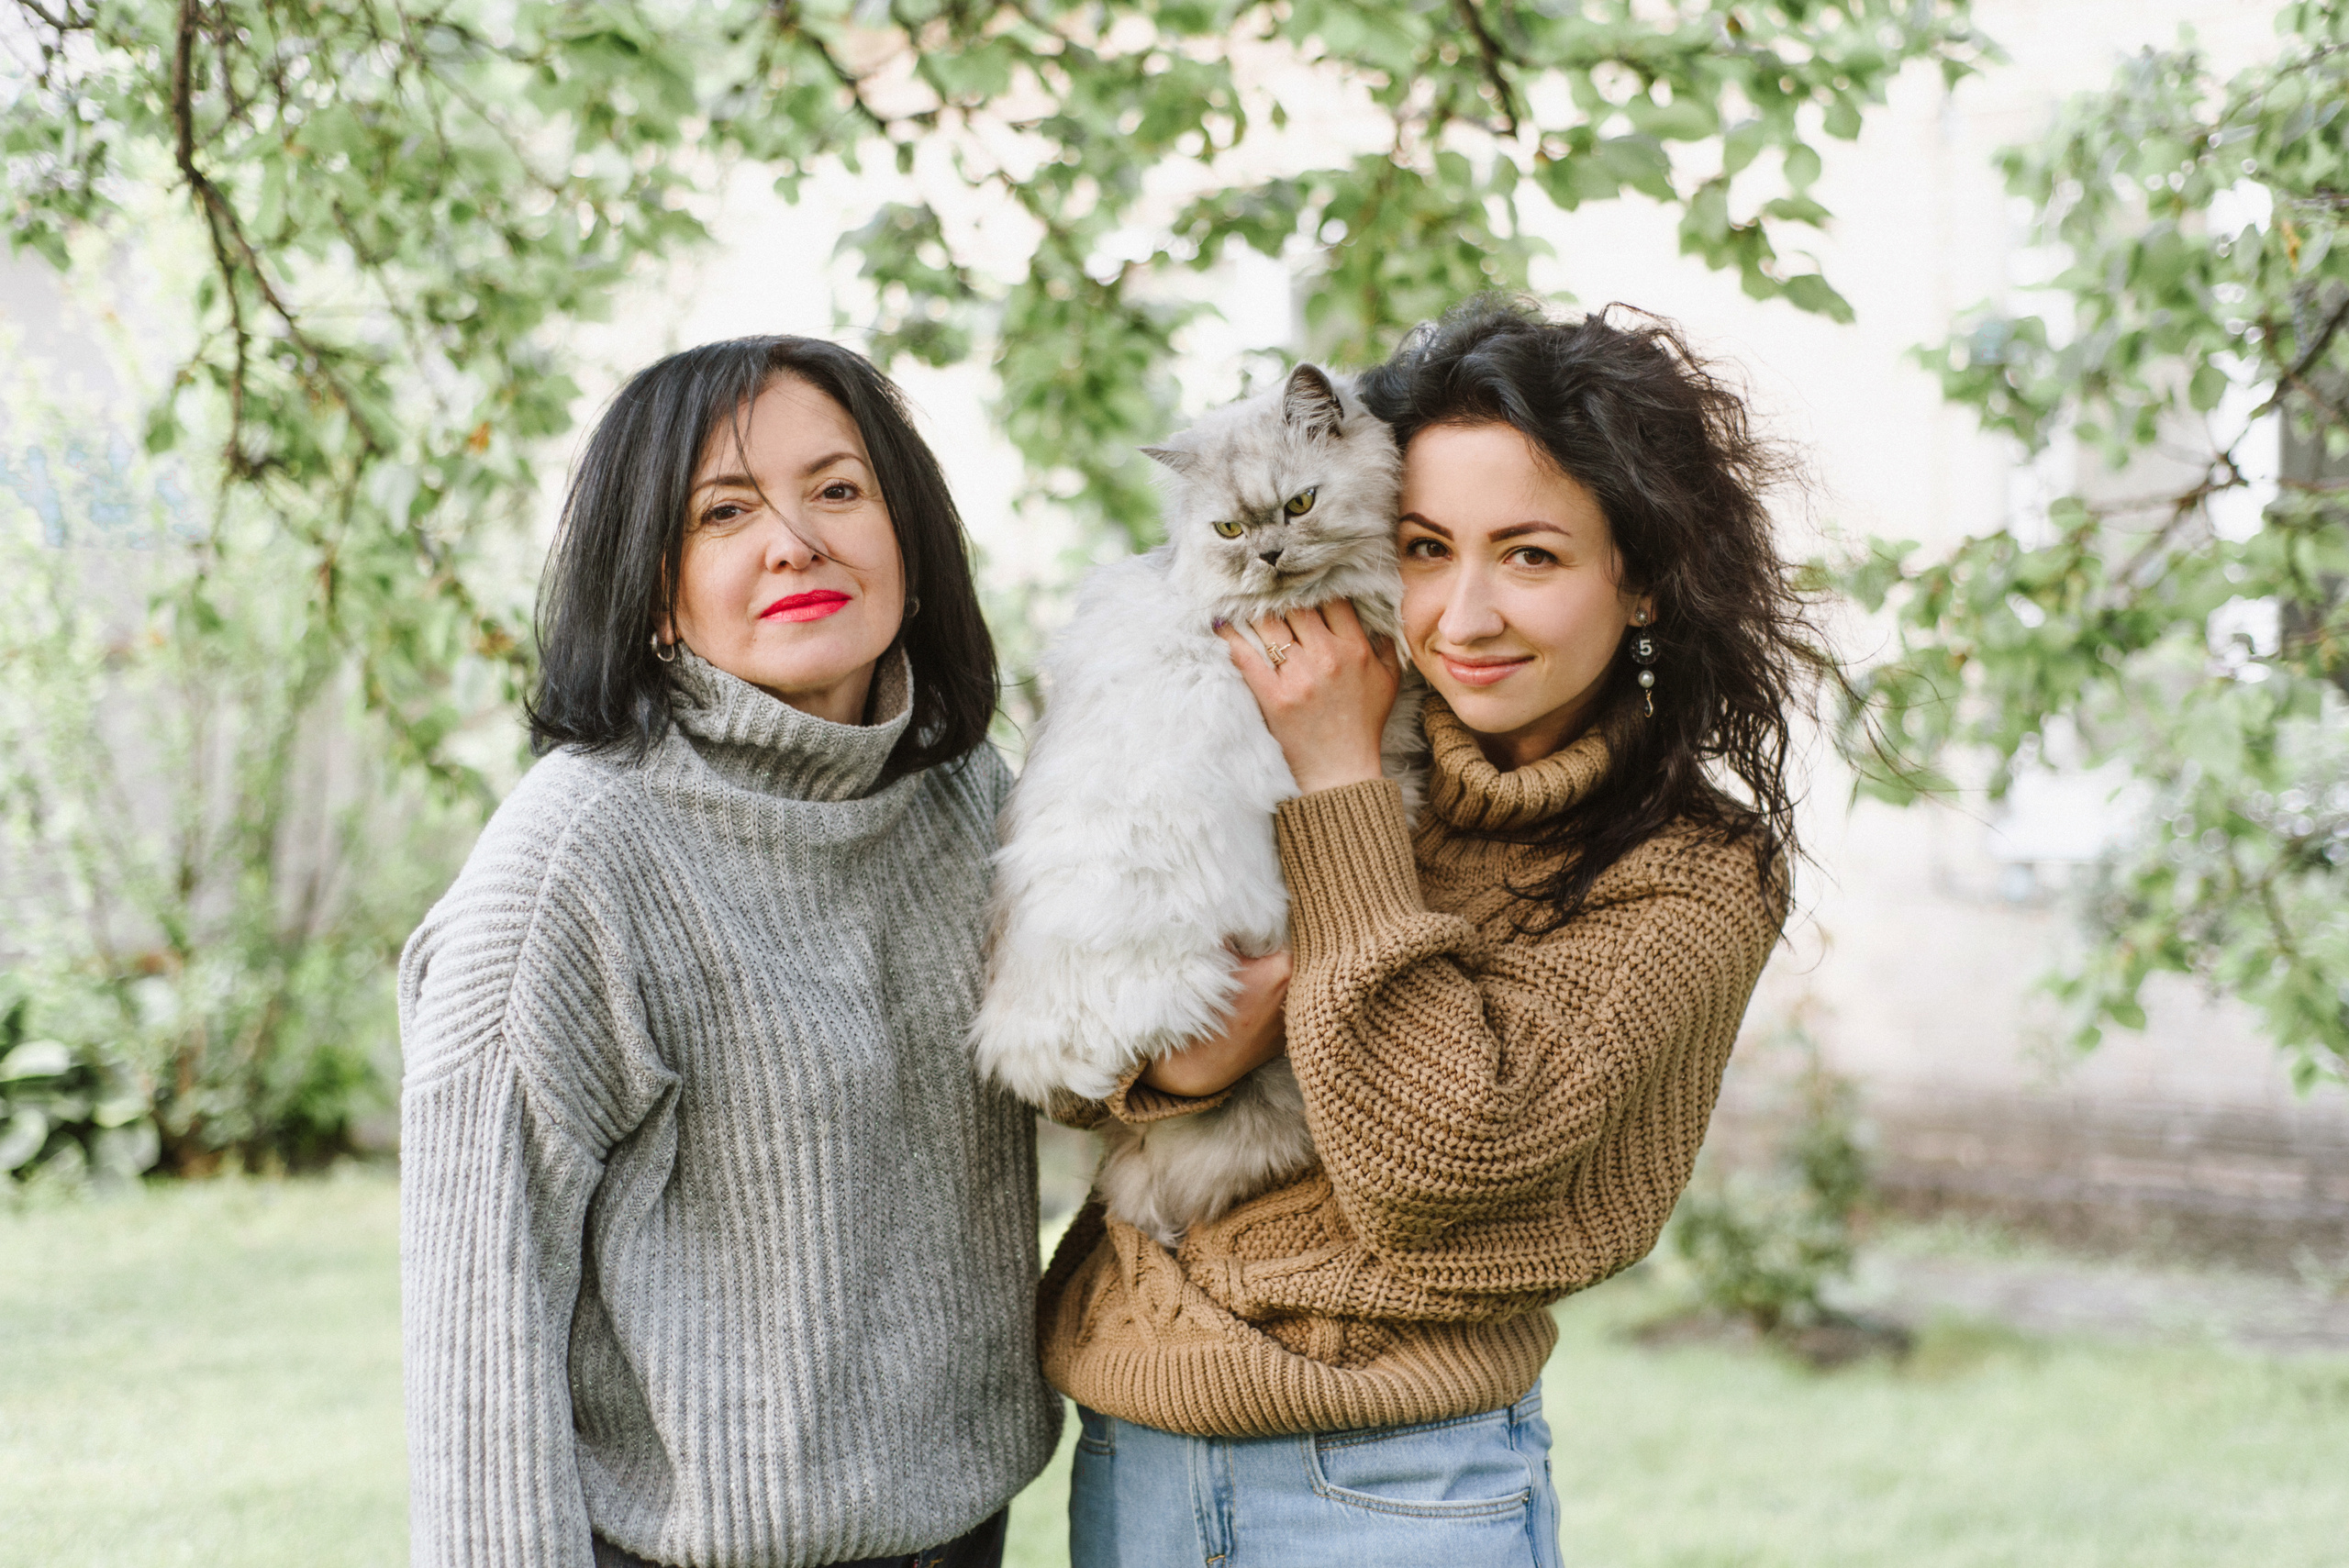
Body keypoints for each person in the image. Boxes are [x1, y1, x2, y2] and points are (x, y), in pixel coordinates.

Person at [1041, 297, 1820, 1568]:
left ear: (1642, 582)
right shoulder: (1261, 720)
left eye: (1531, 555)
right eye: (1422, 545)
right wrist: (1178, 1063)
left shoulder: (1690, 874)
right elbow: (1076, 1019)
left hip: (1400, 1486)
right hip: (1135, 1459)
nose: (1462, 615)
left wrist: (1340, 781)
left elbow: (1430, 1164)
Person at [398, 336, 1059, 1568]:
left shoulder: (969, 797)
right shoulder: (574, 863)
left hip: (962, 1525)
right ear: (655, 591)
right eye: (725, 511)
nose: (795, 540)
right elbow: (475, 1344)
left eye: (839, 489)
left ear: (908, 543)